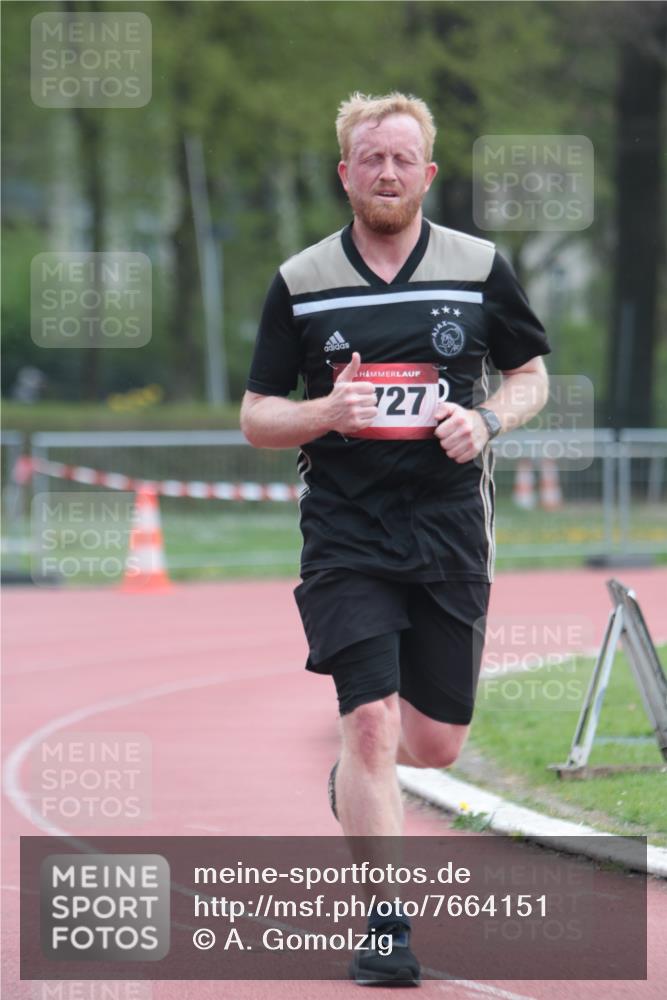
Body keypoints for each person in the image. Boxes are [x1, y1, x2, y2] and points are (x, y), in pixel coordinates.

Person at [241, 91, 550, 985]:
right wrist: (324, 412)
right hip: (345, 535)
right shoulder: (301, 281)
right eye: (369, 158)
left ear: (428, 172)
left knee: (436, 742)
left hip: (451, 528)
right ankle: (385, 926)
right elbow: (257, 415)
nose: (385, 171)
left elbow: (529, 376)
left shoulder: (479, 266)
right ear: (344, 172)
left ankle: (356, 784)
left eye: (400, 158)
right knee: (368, 722)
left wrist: (486, 420)